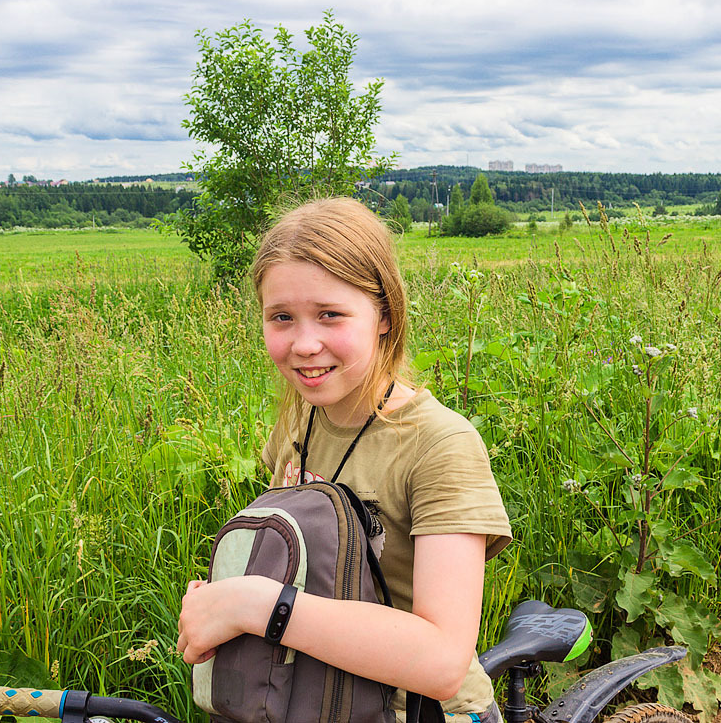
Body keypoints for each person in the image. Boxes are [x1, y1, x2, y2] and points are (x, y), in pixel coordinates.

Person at [177, 197, 511, 722]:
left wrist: (255, 605)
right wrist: (216, 603)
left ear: (384, 315)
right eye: (281, 317)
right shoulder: (299, 419)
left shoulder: (439, 445)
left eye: (330, 315)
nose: (305, 344)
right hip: (311, 701)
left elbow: (444, 661)